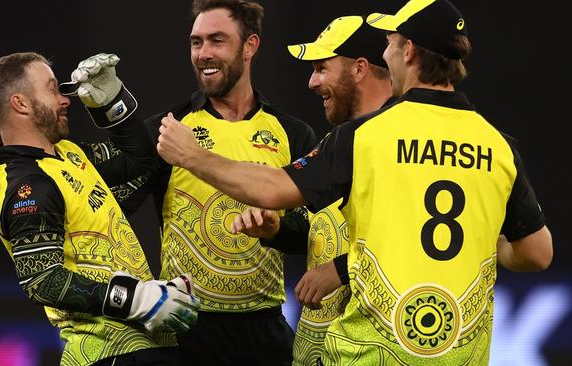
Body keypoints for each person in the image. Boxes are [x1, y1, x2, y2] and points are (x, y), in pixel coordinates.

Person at [155, 0, 554, 364]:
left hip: (368, 353)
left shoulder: (368, 136)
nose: (386, 53)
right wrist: (477, 238)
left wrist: (192, 156)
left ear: (409, 51)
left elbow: (273, 188)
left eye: (391, 44)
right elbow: (537, 253)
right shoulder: (497, 144)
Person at [122, 1, 316, 365]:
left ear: (250, 46)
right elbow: (116, 207)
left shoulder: (293, 134)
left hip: (265, 332)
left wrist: (276, 228)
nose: (203, 54)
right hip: (184, 331)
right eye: (196, 42)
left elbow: (313, 231)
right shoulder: (168, 130)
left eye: (217, 40)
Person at [0, 52, 199, 366]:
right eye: (52, 89)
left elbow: (141, 159)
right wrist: (135, 299)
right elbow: (43, 280)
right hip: (105, 353)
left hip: (142, 347)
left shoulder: (68, 154)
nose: (66, 99)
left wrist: (111, 101)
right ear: (21, 104)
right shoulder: (29, 186)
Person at [231, 14, 393, 366]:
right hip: (316, 352)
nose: (311, 81)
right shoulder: (340, 141)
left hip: (370, 350)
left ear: (360, 69)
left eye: (321, 68)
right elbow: (319, 228)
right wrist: (276, 230)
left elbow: (412, 241)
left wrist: (340, 270)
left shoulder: (398, 144)